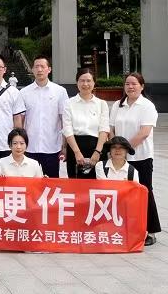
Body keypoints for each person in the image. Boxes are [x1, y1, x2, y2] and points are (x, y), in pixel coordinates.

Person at [109, 72, 161, 246]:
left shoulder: (147, 106)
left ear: (142, 86)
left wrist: (125, 149)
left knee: (144, 192)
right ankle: (124, 228)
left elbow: (144, 132)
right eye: (127, 84)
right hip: (119, 159)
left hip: (141, 157)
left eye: (134, 84)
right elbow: (111, 129)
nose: (130, 87)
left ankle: (150, 231)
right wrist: (116, 149)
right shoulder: (118, 105)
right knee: (122, 194)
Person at [20, 56, 68, 178]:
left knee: (51, 182)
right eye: (36, 66)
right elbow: (21, 120)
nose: (39, 69)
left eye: (42, 66)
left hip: (52, 147)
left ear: (49, 69)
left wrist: (65, 145)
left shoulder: (60, 91)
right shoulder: (24, 93)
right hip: (30, 147)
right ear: (32, 69)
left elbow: (64, 120)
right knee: (29, 181)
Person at [62, 67, 110, 179]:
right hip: (75, 147)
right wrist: (77, 152)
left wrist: (97, 152)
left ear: (94, 82)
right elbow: (67, 129)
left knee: (98, 184)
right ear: (77, 82)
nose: (85, 84)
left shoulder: (101, 104)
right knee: (76, 184)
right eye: (82, 80)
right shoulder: (69, 103)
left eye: (89, 81)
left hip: (97, 147)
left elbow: (104, 129)